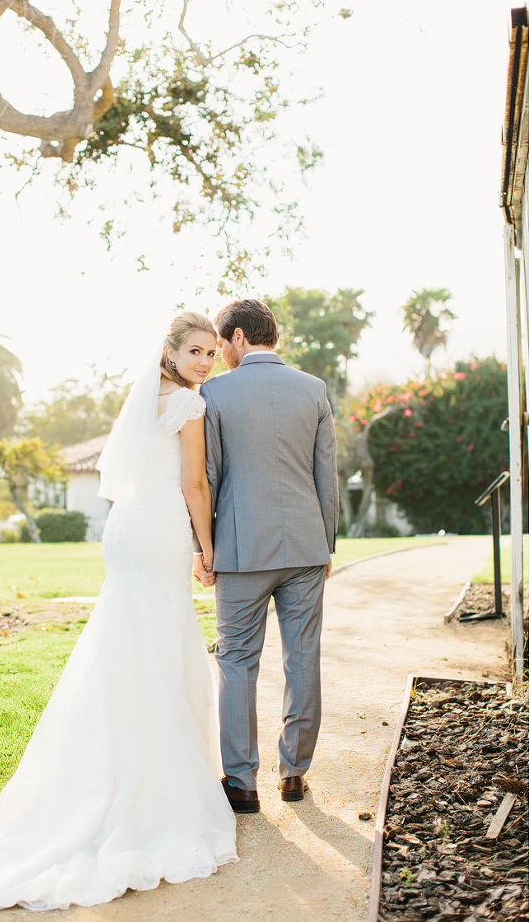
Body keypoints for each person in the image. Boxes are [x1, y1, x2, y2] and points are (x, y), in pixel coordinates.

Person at [0, 312, 238, 910]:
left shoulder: (142, 400)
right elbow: (195, 486)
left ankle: (102, 773)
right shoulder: (190, 408)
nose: (203, 362)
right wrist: (209, 547)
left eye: (208, 352)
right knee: (158, 646)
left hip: (125, 529)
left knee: (126, 642)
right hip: (161, 531)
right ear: (170, 352)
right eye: (194, 352)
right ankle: (152, 794)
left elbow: (124, 477)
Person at [195, 299, 338, 813]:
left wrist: (202, 548)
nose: (216, 352)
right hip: (305, 545)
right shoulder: (314, 389)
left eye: (219, 341)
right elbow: (328, 475)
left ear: (236, 337)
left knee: (236, 661)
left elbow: (208, 476)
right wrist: (327, 543)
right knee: (302, 658)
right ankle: (295, 772)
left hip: (239, 549)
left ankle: (241, 782)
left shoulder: (214, 393)